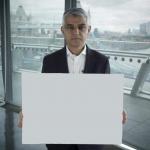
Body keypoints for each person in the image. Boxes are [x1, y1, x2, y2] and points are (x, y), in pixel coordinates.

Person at [19, 7, 127, 150]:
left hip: (91, 140)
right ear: (63, 30)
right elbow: (44, 96)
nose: (76, 32)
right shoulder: (49, 60)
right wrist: (28, 110)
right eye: (70, 27)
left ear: (88, 29)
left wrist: (116, 108)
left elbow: (104, 98)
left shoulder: (102, 61)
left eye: (81, 27)